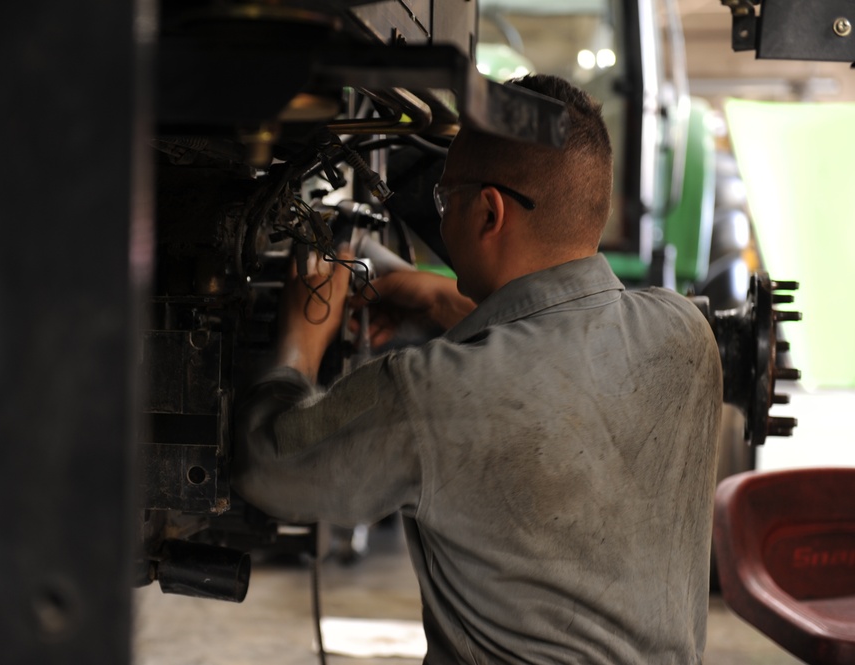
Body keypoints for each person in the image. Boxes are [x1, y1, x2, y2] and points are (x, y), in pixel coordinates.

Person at [233, 74, 722, 664]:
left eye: (446, 199)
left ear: (489, 212)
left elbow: (269, 467)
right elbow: (559, 356)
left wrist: (299, 341)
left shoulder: (430, 392)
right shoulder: (687, 335)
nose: (441, 216)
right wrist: (452, 306)